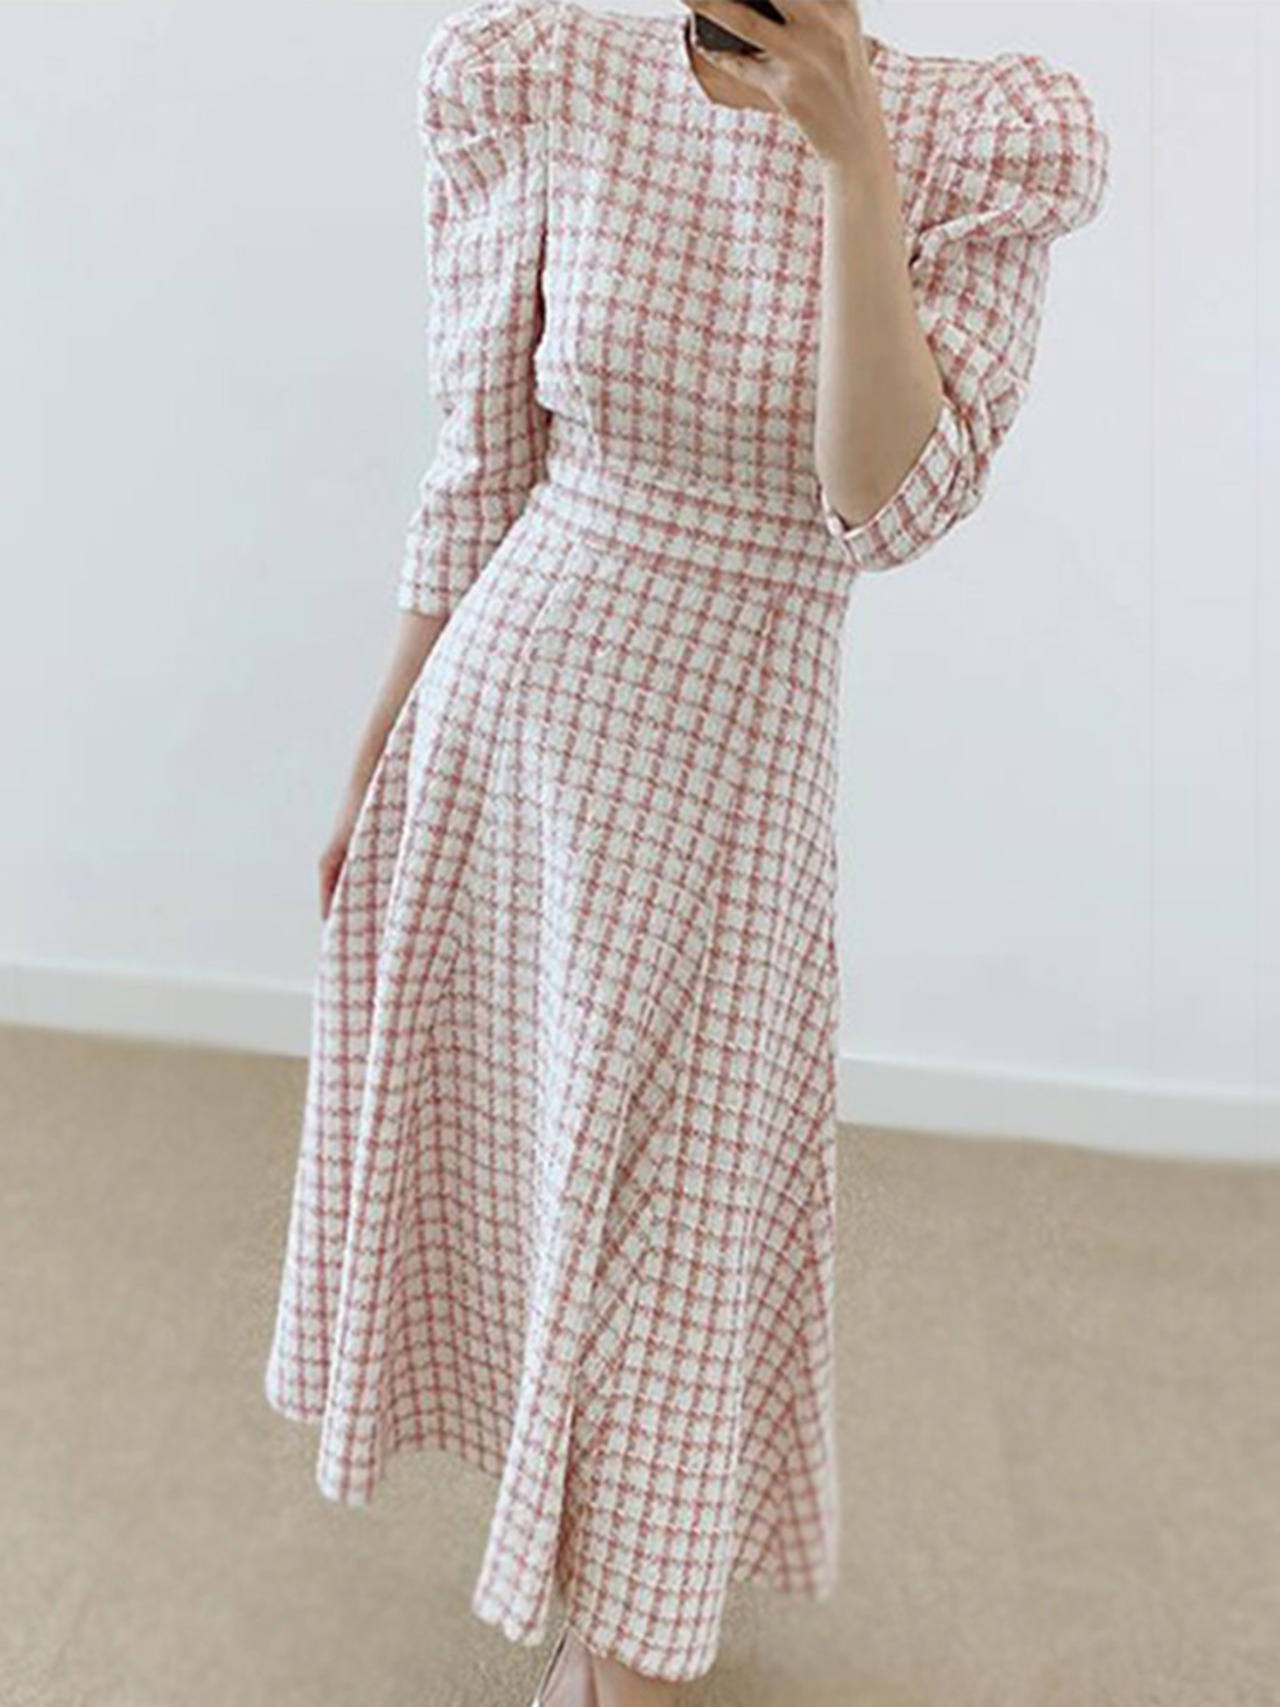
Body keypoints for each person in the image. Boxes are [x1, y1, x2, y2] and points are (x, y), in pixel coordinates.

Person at [263, 2, 1110, 1703]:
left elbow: (886, 502)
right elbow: (484, 463)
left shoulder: (983, 140)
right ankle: (593, 1591)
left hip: (736, 766)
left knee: (686, 1206)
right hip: (518, 729)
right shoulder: (546, 74)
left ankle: (631, 1645)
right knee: (540, 1170)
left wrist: (852, 156)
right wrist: (380, 744)